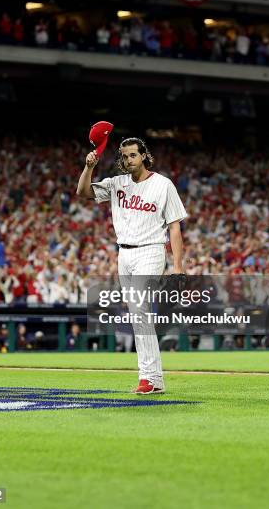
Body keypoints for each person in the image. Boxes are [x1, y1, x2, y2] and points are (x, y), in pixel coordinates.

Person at [76, 137, 187, 394]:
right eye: (124, 156)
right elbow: (83, 192)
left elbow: (174, 226)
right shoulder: (118, 183)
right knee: (138, 313)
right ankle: (154, 378)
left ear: (144, 155)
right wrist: (89, 167)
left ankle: (148, 377)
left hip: (150, 251)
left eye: (133, 155)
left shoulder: (162, 184)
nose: (128, 160)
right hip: (124, 254)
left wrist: (178, 265)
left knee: (139, 310)